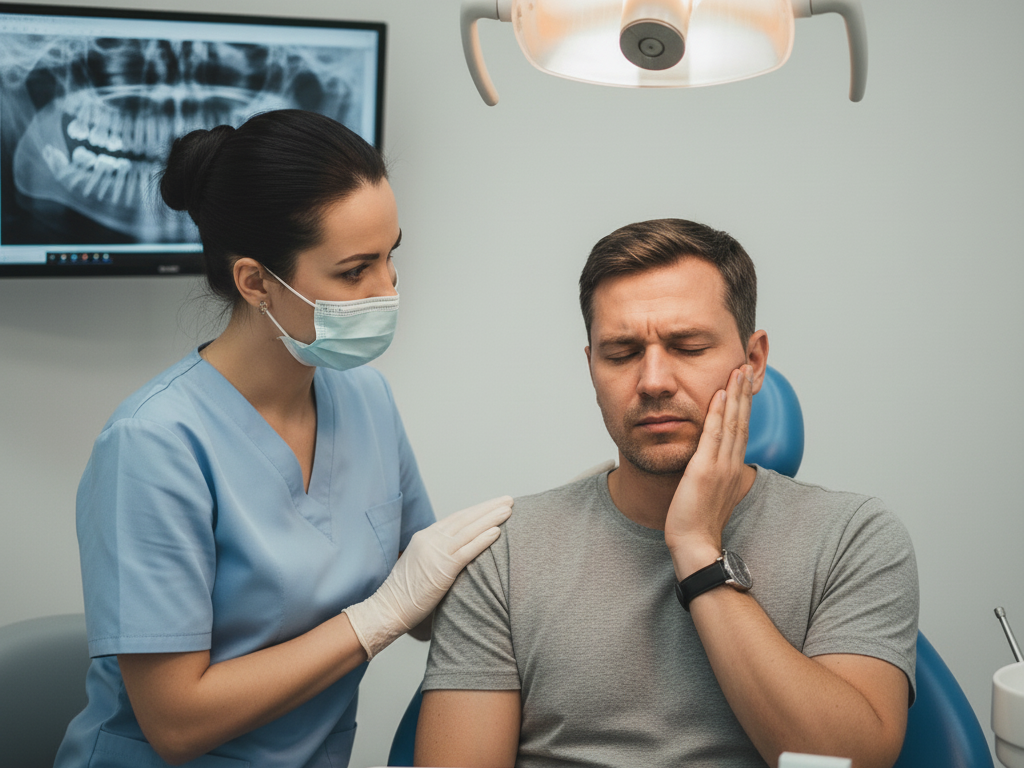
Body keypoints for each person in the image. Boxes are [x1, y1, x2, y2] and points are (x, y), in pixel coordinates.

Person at [54, 109, 512, 768]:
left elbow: (426, 606)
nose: (387, 291)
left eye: (391, 257)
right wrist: (372, 617)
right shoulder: (152, 444)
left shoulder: (366, 400)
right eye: (355, 270)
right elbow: (177, 723)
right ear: (256, 282)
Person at [416, 219, 919, 768]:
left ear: (753, 362)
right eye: (622, 352)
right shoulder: (504, 554)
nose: (653, 380)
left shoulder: (853, 537)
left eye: (687, 346)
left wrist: (697, 549)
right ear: (591, 367)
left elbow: (848, 763)